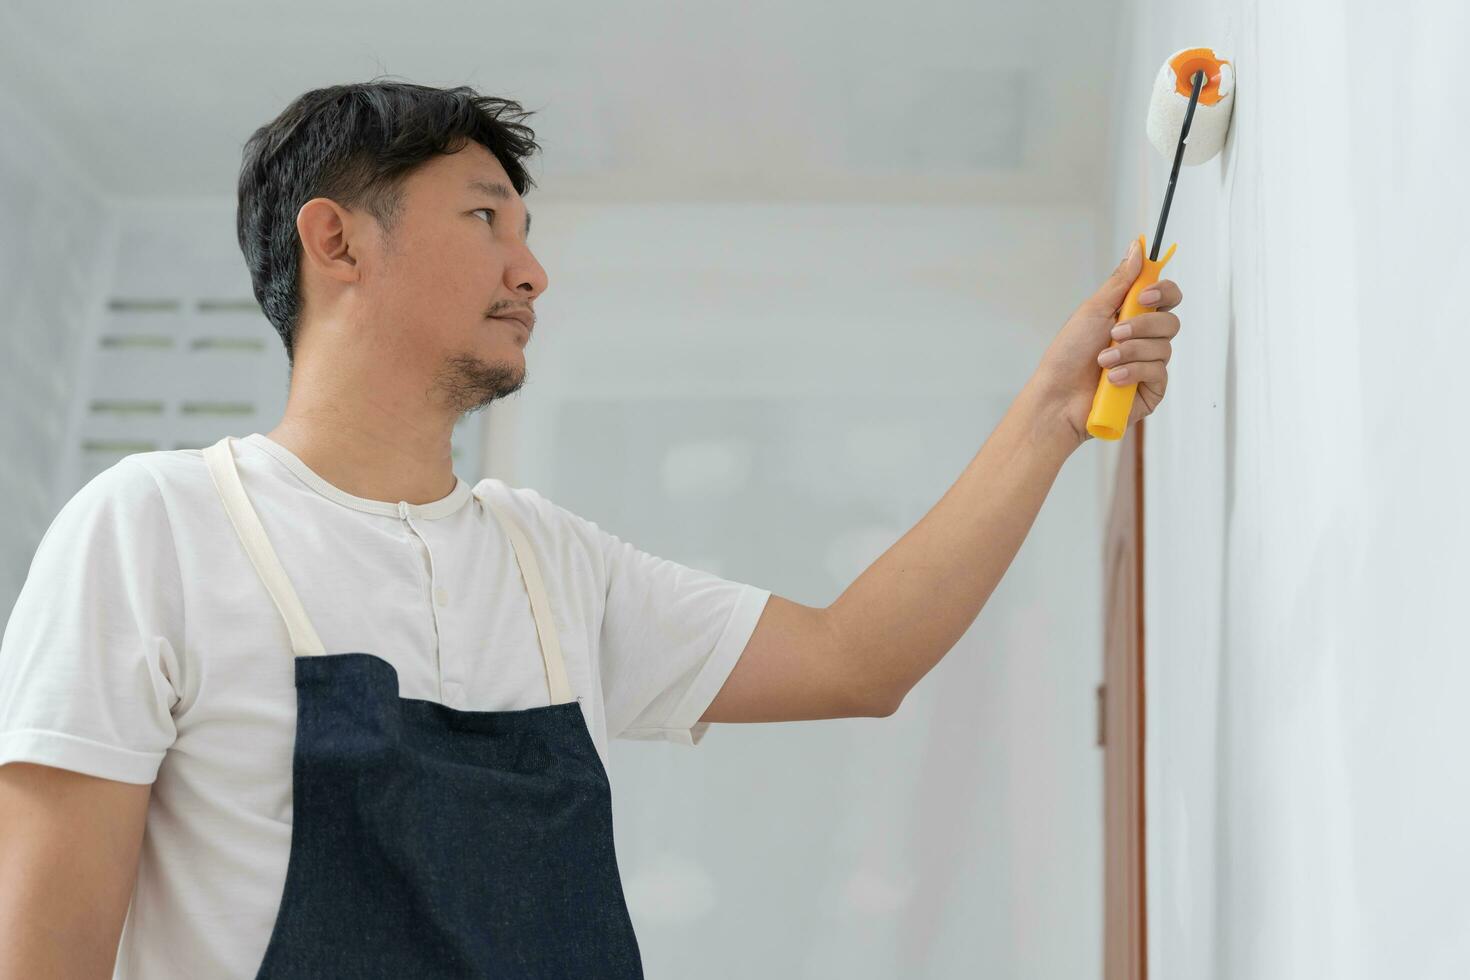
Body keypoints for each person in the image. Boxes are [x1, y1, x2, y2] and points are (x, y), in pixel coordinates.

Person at [0, 79, 1183, 979]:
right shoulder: (154, 527)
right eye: (485, 217)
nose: (533, 270)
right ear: (337, 240)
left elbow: (856, 657)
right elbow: (44, 950)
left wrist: (1050, 414)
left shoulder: (545, 557)